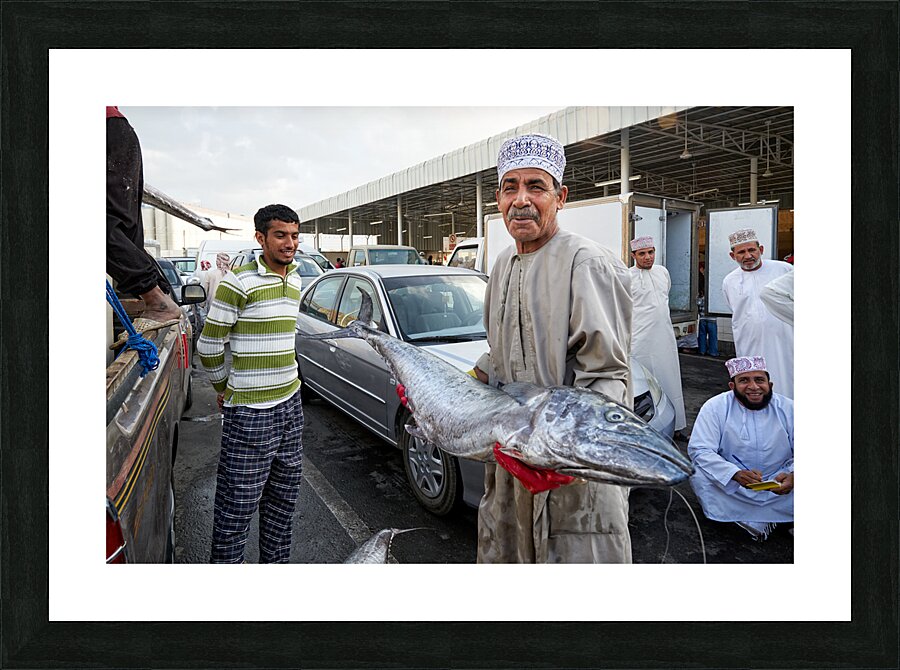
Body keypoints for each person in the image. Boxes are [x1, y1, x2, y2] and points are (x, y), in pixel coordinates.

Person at [472, 133, 634, 563]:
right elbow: (499, 351)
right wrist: (458, 388)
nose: (521, 200)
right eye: (511, 187)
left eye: (535, 187)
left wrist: (561, 455)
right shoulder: (502, 263)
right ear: (498, 197)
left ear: (560, 197)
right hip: (512, 458)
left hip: (570, 472)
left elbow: (606, 375)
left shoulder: (587, 262)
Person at [197, 204, 305, 564]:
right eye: (280, 235)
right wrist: (223, 388)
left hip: (291, 406)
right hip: (250, 415)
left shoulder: (297, 280)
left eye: (293, 235)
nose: (289, 243)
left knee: (282, 507)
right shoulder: (237, 283)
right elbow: (209, 345)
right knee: (235, 512)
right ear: (260, 238)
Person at [687, 356, 793, 540]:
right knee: (697, 471)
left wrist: (793, 475)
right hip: (734, 485)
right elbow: (700, 449)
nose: (753, 387)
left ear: (770, 384)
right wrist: (734, 473)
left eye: (759, 380)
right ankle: (768, 518)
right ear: (732, 386)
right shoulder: (715, 407)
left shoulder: (789, 408)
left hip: (780, 481)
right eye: (744, 380)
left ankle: (752, 519)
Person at [106, 106, 181, 321]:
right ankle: (160, 292)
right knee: (124, 226)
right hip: (118, 129)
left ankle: (157, 299)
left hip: (106, 129)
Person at [722, 228, 794, 399]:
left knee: (790, 381)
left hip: (785, 341)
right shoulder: (729, 281)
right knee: (755, 388)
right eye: (741, 252)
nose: (748, 256)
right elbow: (735, 309)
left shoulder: (784, 270)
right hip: (750, 343)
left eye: (752, 250)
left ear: (761, 250)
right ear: (733, 256)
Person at [628, 236, 687, 433]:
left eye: (651, 252)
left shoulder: (663, 272)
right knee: (643, 386)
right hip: (639, 339)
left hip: (664, 338)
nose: (647, 257)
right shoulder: (626, 276)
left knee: (669, 378)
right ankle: (645, 430)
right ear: (633, 255)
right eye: (642, 253)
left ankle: (677, 425)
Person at [697, 283, 719, 357]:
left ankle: (702, 351)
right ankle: (713, 352)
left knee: (702, 336)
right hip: (712, 320)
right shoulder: (714, 298)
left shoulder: (700, 298)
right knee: (713, 337)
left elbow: (698, 308)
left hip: (702, 319)